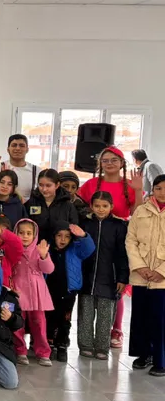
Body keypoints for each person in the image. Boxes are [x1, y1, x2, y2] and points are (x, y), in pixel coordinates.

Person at [79, 146, 143, 350]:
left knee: (116, 284)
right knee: (91, 283)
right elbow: (79, 206)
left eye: (114, 160)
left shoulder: (129, 185)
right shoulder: (91, 184)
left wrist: (138, 190)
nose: (109, 164)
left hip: (119, 237)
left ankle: (116, 329)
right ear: (100, 163)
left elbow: (137, 212)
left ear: (122, 163)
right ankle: (87, 337)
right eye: (105, 160)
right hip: (93, 236)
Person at [79, 192, 129, 360]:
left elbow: (123, 254)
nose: (101, 209)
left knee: (105, 316)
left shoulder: (119, 226)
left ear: (111, 207)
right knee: (85, 314)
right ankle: (85, 345)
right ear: (91, 206)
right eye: (97, 206)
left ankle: (102, 347)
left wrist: (122, 278)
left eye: (105, 206)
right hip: (86, 277)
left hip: (110, 278)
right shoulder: (85, 224)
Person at [126, 175, 165, 376]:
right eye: (158, 188)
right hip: (141, 277)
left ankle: (161, 360)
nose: (162, 192)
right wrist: (139, 266)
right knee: (141, 318)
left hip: (162, 280)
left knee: (161, 320)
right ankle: (144, 354)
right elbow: (131, 240)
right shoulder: (141, 211)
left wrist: (161, 271)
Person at [46, 222, 96, 363]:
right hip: (49, 292)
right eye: (59, 236)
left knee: (65, 320)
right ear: (54, 236)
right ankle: (49, 344)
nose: (63, 240)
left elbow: (89, 248)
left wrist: (84, 236)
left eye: (67, 236)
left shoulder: (75, 249)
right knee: (49, 319)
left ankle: (62, 345)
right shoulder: (48, 250)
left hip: (68, 292)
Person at [12, 218, 54, 366]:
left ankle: (43, 352)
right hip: (18, 291)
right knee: (18, 324)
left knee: (39, 324)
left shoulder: (38, 250)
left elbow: (49, 269)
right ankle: (20, 351)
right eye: (21, 233)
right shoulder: (13, 249)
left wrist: (44, 256)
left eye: (29, 233)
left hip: (36, 293)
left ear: (34, 235)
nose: (25, 236)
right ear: (15, 233)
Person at [25, 169, 79, 243]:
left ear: (57, 185)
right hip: (36, 246)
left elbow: (74, 229)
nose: (44, 189)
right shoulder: (31, 203)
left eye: (48, 185)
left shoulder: (68, 206)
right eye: (41, 185)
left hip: (60, 247)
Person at [0, 134, 39, 201]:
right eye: (14, 145)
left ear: (27, 149)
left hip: (27, 207)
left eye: (21, 145)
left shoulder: (37, 171)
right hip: (3, 206)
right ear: (8, 149)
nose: (18, 148)